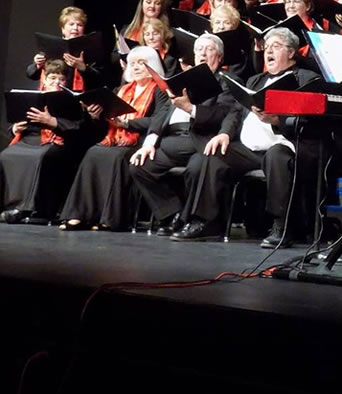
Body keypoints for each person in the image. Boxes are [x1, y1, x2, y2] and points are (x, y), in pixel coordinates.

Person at [172, 26, 319, 246]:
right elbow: (236, 112)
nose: (269, 51)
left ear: (291, 52)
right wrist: (224, 134)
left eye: (276, 47)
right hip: (249, 150)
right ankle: (205, 222)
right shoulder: (255, 81)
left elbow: (311, 120)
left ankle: (282, 225)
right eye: (267, 47)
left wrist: (278, 120)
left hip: (285, 144)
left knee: (276, 156)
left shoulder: (307, 79)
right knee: (211, 154)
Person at [130, 33, 235, 237]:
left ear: (220, 57)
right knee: (140, 165)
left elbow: (223, 113)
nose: (203, 53)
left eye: (209, 49)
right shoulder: (182, 80)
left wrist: (190, 109)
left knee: (197, 168)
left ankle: (194, 221)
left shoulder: (227, 82)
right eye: (199, 50)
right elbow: (162, 114)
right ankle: (174, 215)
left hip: (200, 140)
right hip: (171, 140)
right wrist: (150, 142)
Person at [60, 46, 170, 230]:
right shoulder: (121, 89)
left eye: (141, 64)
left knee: (117, 157)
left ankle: (110, 218)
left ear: (152, 66)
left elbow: (158, 120)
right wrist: (96, 116)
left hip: (141, 141)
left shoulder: (160, 91)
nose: (135, 68)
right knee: (93, 153)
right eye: (132, 64)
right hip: (114, 138)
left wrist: (128, 124)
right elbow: (107, 123)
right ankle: (79, 214)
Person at [0, 61, 90, 223]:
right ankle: (6, 205)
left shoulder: (73, 100)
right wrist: (15, 128)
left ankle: (26, 208)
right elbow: (16, 121)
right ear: (45, 79)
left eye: (61, 79)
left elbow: (80, 128)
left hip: (59, 141)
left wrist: (52, 122)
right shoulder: (34, 97)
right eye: (52, 78)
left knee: (41, 157)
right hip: (30, 138)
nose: (56, 82)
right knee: (6, 155)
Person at [27, 6, 103, 92]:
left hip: (79, 99)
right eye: (71, 24)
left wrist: (83, 68)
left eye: (79, 25)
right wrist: (37, 65)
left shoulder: (91, 49)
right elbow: (31, 75)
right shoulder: (52, 46)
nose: (75, 28)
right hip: (53, 95)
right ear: (63, 28)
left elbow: (100, 79)